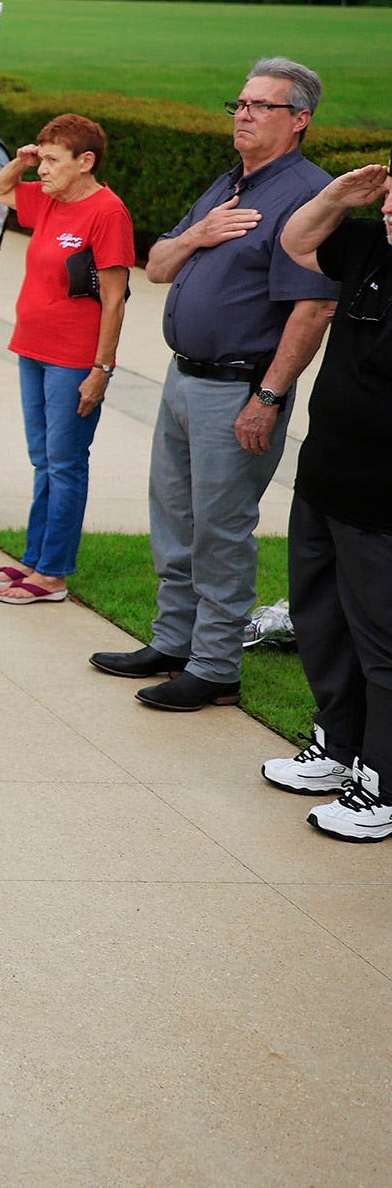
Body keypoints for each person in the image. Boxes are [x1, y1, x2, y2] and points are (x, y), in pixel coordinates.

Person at [88, 57, 338, 713]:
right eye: (240, 104)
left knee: (218, 531)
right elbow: (157, 264)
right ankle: (173, 642)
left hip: (238, 389)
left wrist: (269, 396)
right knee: (172, 521)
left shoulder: (308, 197)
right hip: (181, 379)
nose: (244, 114)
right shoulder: (229, 184)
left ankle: (215, 665)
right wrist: (198, 233)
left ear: (299, 120)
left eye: (262, 106)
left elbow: (312, 308)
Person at [265, 162, 392, 839]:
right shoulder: (368, 243)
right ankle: (335, 748)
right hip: (323, 478)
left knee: (381, 642)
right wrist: (336, 195)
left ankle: (381, 785)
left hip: (381, 499)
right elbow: (296, 241)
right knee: (319, 618)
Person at [0, 115, 134, 604]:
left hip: (73, 360)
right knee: (43, 460)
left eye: (52, 160)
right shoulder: (48, 200)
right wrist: (24, 159)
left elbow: (115, 298)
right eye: (41, 159)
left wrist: (101, 370)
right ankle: (34, 560)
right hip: (34, 349)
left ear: (85, 162)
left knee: (65, 464)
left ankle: (53, 575)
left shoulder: (107, 213)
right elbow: (0, 189)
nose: (42, 170)